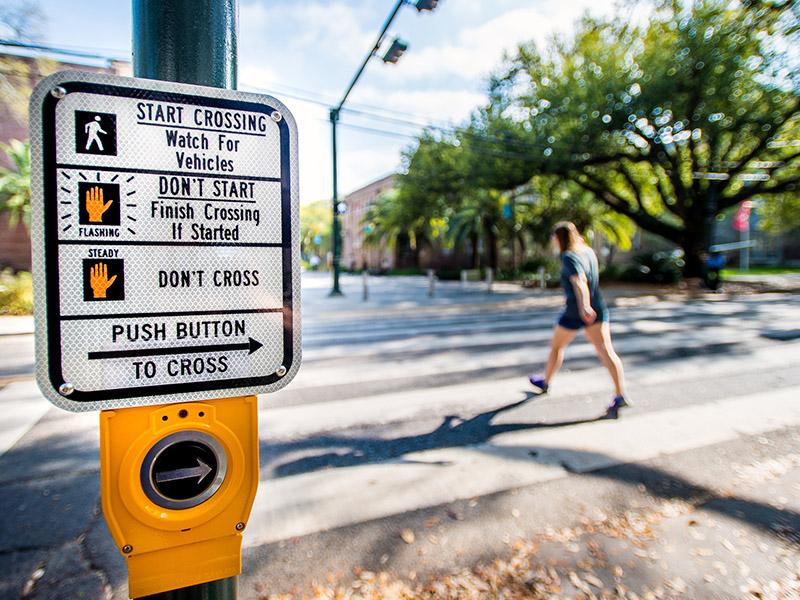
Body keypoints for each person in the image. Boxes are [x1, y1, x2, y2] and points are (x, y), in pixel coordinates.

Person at [528, 222, 629, 417]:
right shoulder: (587, 251)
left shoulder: (569, 256)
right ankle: (620, 393)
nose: (552, 241)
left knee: (557, 346)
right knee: (606, 351)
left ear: (559, 238)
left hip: (576, 311)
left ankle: (546, 382)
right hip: (598, 307)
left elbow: (579, 280)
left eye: (554, 237)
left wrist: (583, 306)